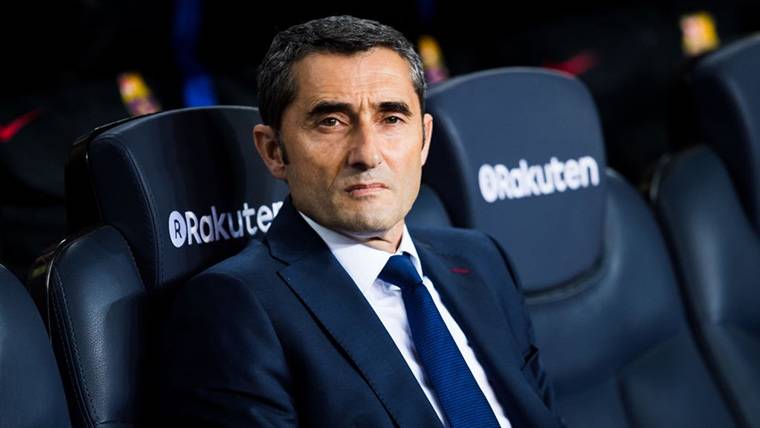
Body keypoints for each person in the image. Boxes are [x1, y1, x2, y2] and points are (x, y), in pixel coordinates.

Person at [158, 15, 563, 428]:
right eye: (331, 122)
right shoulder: (236, 307)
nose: (367, 154)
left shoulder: (480, 260)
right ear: (274, 151)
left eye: (391, 119)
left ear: (424, 139)